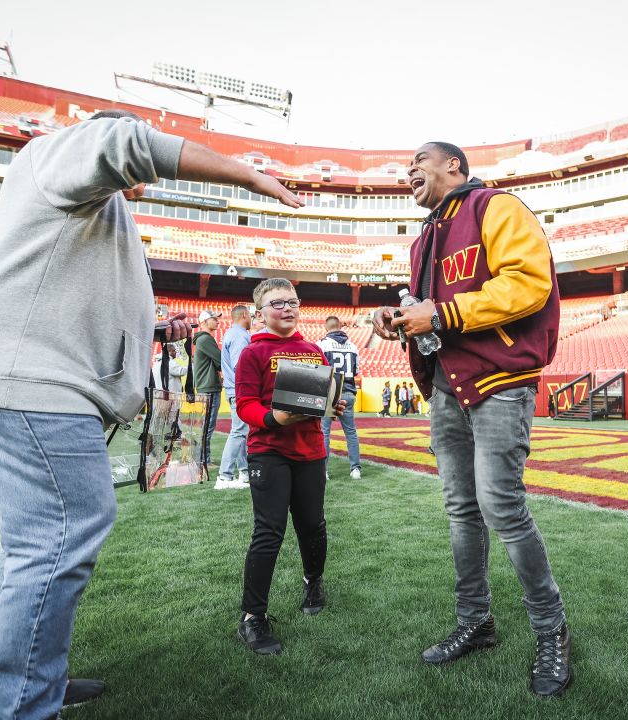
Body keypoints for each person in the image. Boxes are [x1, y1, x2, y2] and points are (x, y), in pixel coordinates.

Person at [0, 108, 302, 720]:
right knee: (58, 536)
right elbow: (120, 139)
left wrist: (154, 327)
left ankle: (19, 681)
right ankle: (20, 703)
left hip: (21, 379)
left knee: (30, 544)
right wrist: (244, 174)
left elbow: (65, 295)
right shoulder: (63, 153)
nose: (144, 182)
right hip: (30, 386)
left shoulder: (86, 208)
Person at [372, 141, 571, 697]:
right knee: (461, 509)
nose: (408, 171)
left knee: (500, 506)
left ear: (453, 165)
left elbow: (529, 284)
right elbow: (430, 314)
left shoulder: (496, 207)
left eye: (419, 161)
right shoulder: (423, 239)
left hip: (499, 381)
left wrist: (441, 312)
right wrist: (402, 319)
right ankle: (475, 620)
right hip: (445, 385)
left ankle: (551, 629)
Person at [233, 278, 346, 655]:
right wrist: (272, 419)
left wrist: (334, 405)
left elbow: (324, 397)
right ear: (261, 313)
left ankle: (313, 581)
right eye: (278, 303)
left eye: (293, 302)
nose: (288, 308)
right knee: (269, 532)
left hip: (311, 450)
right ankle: (252, 617)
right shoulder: (253, 353)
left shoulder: (314, 350)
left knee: (313, 524)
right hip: (269, 450)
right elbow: (245, 404)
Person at [318, 315, 363, 480]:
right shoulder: (353, 346)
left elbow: (318, 369)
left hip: (329, 391)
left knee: (324, 433)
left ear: (326, 327)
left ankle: (323, 471)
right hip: (348, 391)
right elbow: (356, 371)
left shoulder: (322, 344)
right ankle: (355, 469)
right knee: (350, 432)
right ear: (340, 326)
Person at [217, 304, 253, 489]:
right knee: (239, 432)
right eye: (251, 316)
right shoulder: (239, 335)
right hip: (239, 390)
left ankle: (244, 473)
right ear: (245, 314)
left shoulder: (233, 333)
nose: (252, 319)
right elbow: (241, 365)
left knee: (241, 431)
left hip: (233, 389)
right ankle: (225, 476)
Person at [193, 310, 223, 469]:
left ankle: (201, 459)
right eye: (214, 319)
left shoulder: (203, 339)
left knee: (205, 426)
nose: (218, 322)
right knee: (207, 426)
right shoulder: (205, 339)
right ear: (204, 321)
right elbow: (220, 360)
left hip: (206, 386)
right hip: (209, 387)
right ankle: (204, 460)